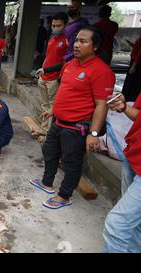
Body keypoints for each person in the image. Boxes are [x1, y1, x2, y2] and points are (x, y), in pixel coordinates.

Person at [29, 26, 115, 209]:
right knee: (50, 153)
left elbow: (102, 105)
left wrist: (93, 133)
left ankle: (64, 196)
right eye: (76, 40)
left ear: (96, 46)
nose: (77, 45)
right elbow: (66, 91)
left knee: (71, 163)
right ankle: (47, 182)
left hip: (76, 127)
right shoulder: (69, 64)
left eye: (83, 41)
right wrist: (53, 109)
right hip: (58, 122)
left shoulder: (102, 71)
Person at [103, 92, 141, 253]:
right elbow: (138, 116)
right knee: (135, 223)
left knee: (117, 223)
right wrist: (124, 107)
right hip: (134, 155)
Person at [35, 12, 69, 136]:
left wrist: (48, 71)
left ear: (66, 25)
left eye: (58, 25)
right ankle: (43, 129)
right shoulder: (52, 38)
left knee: (52, 107)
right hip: (43, 76)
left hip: (54, 78)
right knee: (44, 105)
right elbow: (48, 56)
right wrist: (42, 69)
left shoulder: (67, 41)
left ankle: (48, 132)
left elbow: (65, 63)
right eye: (53, 25)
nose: (55, 28)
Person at [122, 35, 141, 102]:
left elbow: (140, 53)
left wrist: (134, 65)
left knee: (132, 81)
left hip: (137, 62)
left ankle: (130, 97)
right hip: (135, 61)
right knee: (132, 80)